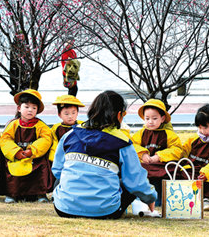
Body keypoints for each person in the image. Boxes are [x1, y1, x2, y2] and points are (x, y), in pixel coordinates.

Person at [52, 90, 157, 219]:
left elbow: (57, 170)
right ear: (119, 115)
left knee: (61, 177)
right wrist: (150, 197)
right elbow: (135, 182)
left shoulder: (69, 136)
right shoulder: (123, 143)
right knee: (126, 181)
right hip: (106, 212)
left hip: (64, 209)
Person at [0, 89, 53, 203]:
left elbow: (46, 139)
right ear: (19, 108)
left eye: (34, 107)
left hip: (34, 157)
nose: (30, 110)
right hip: (16, 155)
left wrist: (32, 151)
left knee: (41, 165)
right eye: (27, 106)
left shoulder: (41, 125)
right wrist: (15, 152)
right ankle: (12, 194)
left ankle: (40, 194)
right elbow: (5, 139)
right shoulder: (13, 124)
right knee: (10, 167)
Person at [132, 99, 183, 206]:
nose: (150, 121)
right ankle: (140, 199)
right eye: (147, 118)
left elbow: (177, 150)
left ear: (162, 118)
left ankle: (160, 199)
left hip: (162, 165)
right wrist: (143, 154)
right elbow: (132, 145)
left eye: (154, 118)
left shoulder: (169, 134)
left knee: (166, 173)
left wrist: (159, 156)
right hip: (145, 164)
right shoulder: (140, 133)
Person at [48, 94, 85, 162]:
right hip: (62, 155)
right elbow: (55, 144)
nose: (70, 116)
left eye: (73, 113)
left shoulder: (83, 126)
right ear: (59, 115)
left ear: (77, 113)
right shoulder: (56, 128)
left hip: (79, 155)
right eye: (66, 114)